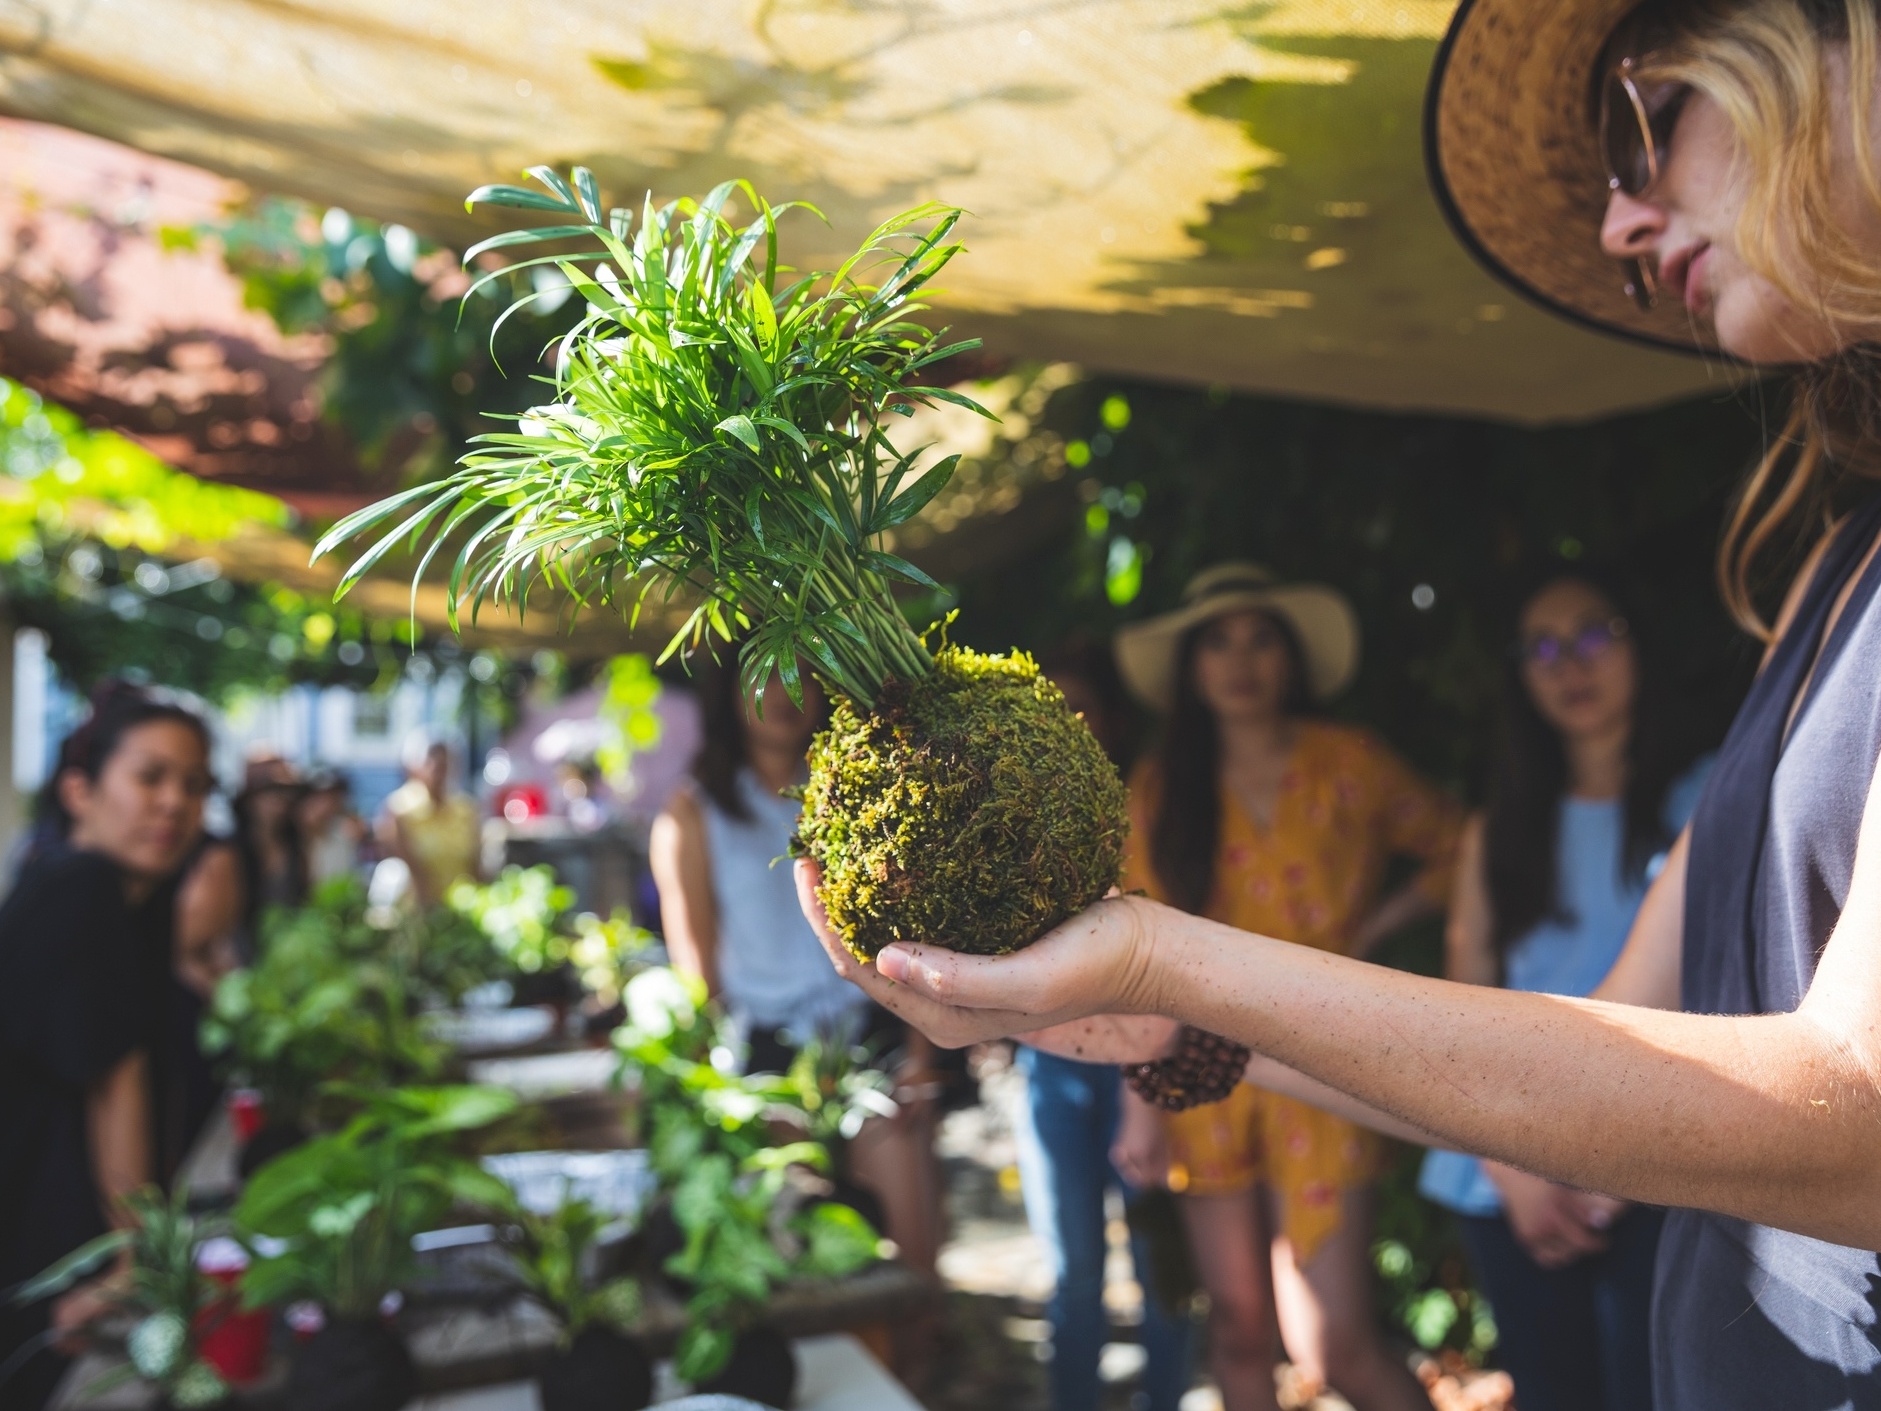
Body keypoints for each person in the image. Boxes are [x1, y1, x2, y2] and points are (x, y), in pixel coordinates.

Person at [793, 3, 1881, 1404]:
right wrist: (1169, 1026)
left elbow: (1853, 1125)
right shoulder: (1831, 570)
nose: (1617, 226)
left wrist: (1163, 961)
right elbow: (1610, 1056)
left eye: (1638, 130)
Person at [1108, 564, 1462, 1411]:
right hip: (1200, 1064)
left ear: (1291, 655)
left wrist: (1372, 928)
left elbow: (1459, 843)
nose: (1241, 660)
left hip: (1326, 1054)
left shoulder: (1349, 762)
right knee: (1234, 1326)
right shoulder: (1161, 786)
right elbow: (1133, 940)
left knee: (1332, 1344)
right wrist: (1140, 1102)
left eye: (1260, 637)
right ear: (1191, 667)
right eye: (1217, 642)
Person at [1419, 574, 1710, 1411]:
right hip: (1504, 1164)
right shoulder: (1498, 825)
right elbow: (1460, 1003)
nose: (1568, 664)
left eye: (1592, 633)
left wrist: (1617, 1164)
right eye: (1540, 647)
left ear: (1638, 642)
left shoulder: (1713, 795)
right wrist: (1504, 1160)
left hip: (1666, 1158)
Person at [649, 656, 943, 1277]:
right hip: (766, 1055)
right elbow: (697, 973)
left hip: (869, 1034)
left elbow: (906, 929)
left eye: (803, 674)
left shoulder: (857, 791)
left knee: (912, 1257)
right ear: (728, 693)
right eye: (763, 674)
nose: (786, 693)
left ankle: (915, 1360)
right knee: (801, 1259)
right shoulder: (693, 814)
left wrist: (921, 1048)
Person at [0, 683, 212, 1411]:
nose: (174, 803)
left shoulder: (123, 895)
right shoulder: (81, 887)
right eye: (150, 776)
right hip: (36, 1238)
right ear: (80, 789)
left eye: (194, 784)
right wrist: (130, 1261)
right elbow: (114, 1082)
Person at [1013, 640, 1191, 1411]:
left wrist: (1147, 1089)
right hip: (1052, 1064)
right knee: (1074, 1266)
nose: (1065, 725)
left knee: (1158, 1261)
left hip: (1143, 1057)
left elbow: (1174, 944)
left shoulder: (1142, 804)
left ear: (1110, 719)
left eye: (1079, 709)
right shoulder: (1008, 817)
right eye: (1048, 710)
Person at [378, 735, 481, 907]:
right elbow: (402, 861)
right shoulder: (399, 809)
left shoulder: (465, 808)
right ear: (414, 768)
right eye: (431, 762)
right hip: (416, 909)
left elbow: (475, 862)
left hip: (460, 904)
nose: (437, 769)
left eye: (444, 763)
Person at [296, 770, 364, 888]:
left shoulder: (345, 836)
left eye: (332, 798)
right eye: (318, 799)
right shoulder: (289, 842)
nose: (325, 806)